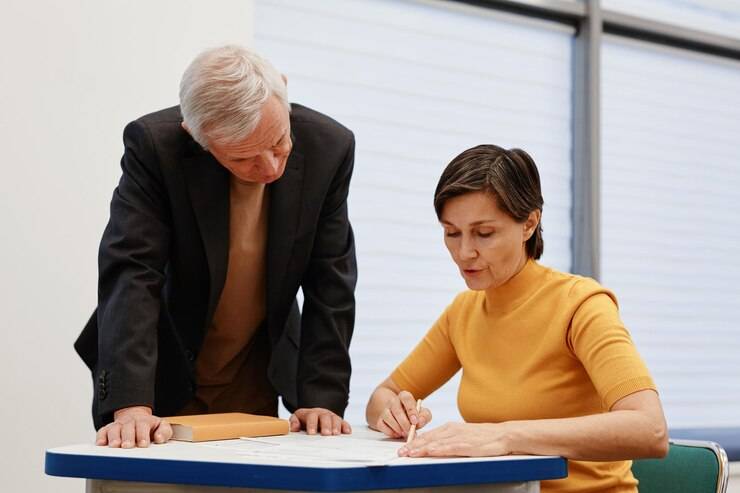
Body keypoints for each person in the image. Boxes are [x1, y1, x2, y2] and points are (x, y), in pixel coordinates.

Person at [75, 45, 357, 448]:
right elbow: (132, 271)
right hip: (160, 363)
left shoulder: (329, 147)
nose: (271, 167)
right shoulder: (156, 148)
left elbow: (330, 278)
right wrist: (131, 405)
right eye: (243, 158)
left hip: (256, 366)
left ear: (284, 92)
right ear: (197, 137)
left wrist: (321, 400)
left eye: (278, 141)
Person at [365, 145, 668, 492]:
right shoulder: (463, 313)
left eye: (484, 233)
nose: (464, 252)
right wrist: (393, 413)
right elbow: (382, 395)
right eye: (452, 233)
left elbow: (650, 429)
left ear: (529, 224)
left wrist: (504, 436)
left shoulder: (581, 305)